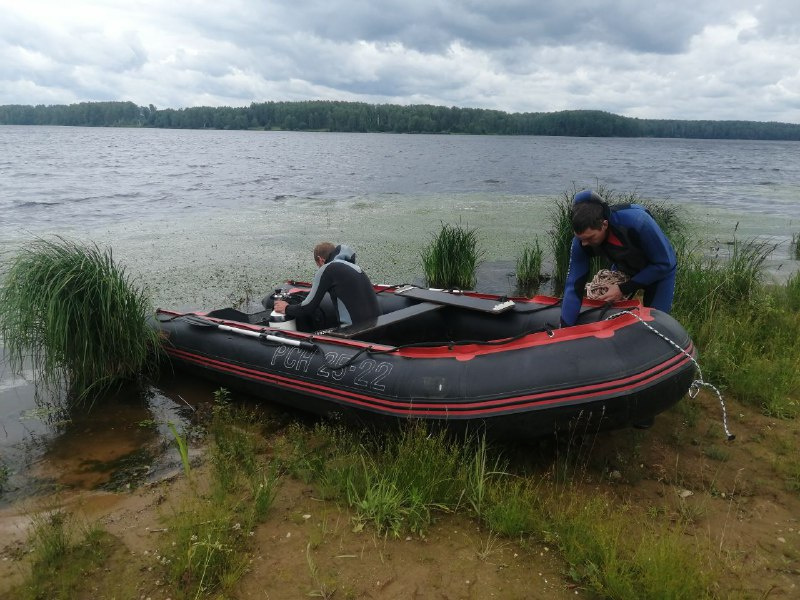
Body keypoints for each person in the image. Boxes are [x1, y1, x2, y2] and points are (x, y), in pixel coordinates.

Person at [560, 190, 677, 327]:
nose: (584, 244)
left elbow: (664, 264)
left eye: (590, 238)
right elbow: (573, 285)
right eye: (580, 238)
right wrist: (564, 328)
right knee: (613, 322)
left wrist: (623, 289)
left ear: (604, 224)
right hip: (625, 268)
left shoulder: (638, 221)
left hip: (659, 272)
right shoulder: (581, 242)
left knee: (657, 324)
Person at [273, 242, 380, 328]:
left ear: (320, 259)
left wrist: (286, 308)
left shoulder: (327, 269)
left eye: (318, 265)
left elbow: (308, 308)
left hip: (355, 332)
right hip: (378, 326)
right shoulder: (352, 267)